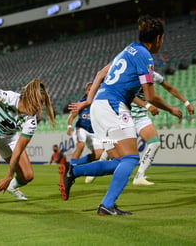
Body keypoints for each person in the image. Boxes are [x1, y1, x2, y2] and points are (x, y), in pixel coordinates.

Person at [60, 15, 182, 216]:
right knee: (132, 158)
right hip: (113, 106)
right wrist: (172, 109)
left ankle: (74, 171)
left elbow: (100, 73)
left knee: (118, 162)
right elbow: (150, 95)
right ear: (158, 38)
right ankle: (107, 205)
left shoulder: (128, 49)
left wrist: (88, 101)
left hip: (99, 105)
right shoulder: (145, 56)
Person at [0, 77, 55, 207]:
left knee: (27, 176)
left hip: (9, 137)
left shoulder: (31, 121)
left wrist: (8, 177)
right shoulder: (8, 97)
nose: (39, 107)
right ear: (29, 97)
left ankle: (11, 187)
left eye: (42, 104)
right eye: (38, 102)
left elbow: (17, 151)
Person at [132, 71, 195, 185]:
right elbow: (129, 95)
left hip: (140, 116)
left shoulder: (152, 75)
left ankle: (139, 176)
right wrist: (148, 105)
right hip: (124, 115)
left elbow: (170, 88)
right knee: (113, 149)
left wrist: (186, 103)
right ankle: (94, 169)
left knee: (155, 142)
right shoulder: (135, 75)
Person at [66, 81, 108, 183]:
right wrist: (69, 126)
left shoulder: (100, 103)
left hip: (94, 132)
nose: (92, 91)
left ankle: (73, 165)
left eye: (94, 89)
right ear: (86, 91)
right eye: (89, 89)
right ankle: (70, 172)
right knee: (80, 145)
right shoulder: (82, 103)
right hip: (81, 128)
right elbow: (71, 116)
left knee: (98, 155)